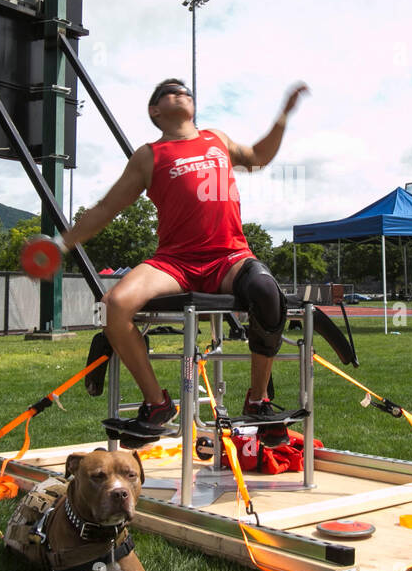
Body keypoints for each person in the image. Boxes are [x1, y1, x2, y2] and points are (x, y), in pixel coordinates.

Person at [57, 78, 309, 439]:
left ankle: (257, 401)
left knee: (268, 292)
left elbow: (258, 158)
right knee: (116, 303)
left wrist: (283, 116)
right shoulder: (148, 156)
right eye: (168, 91)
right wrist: (59, 244)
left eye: (185, 90)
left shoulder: (216, 139)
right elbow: (106, 208)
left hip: (229, 256)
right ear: (154, 111)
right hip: (175, 262)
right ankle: (157, 403)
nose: (180, 92)